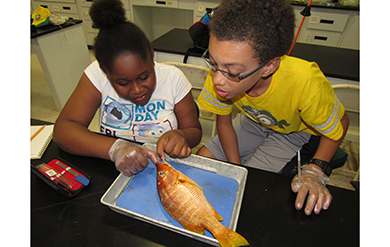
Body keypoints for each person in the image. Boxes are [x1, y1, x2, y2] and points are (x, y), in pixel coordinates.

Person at [196, 0, 349, 216]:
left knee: (255, 189)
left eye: (231, 71)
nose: (218, 79)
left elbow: (341, 123)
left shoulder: (305, 83)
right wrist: (236, 167)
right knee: (203, 161)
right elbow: (224, 122)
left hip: (295, 132)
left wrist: (316, 169)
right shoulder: (222, 73)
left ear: (268, 66)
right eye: (213, 64)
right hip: (254, 120)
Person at [53, 0, 202, 177]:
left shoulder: (172, 78)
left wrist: (180, 136)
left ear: (151, 57)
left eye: (144, 77)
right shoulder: (96, 75)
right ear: (105, 71)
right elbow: (63, 130)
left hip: (165, 170)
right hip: (116, 169)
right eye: (123, 83)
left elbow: (195, 131)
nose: (137, 89)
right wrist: (115, 148)